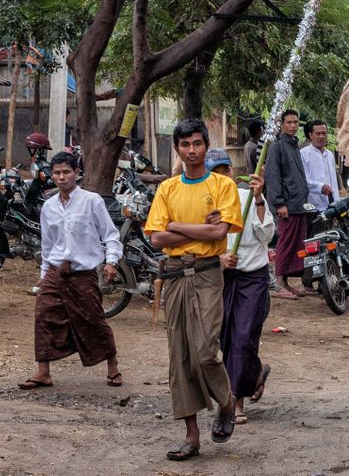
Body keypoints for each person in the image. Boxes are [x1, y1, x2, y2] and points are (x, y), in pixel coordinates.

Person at [145, 118, 243, 461]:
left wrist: (175, 226)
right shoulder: (167, 189)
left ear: (206, 145)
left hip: (206, 274)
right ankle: (191, 435)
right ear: (177, 149)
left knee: (205, 349)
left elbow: (219, 235)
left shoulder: (221, 185)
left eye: (197, 143)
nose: (191, 150)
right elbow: (156, 239)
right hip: (173, 276)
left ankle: (227, 401)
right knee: (180, 357)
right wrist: (199, 228)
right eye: (185, 145)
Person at [18, 152, 123, 391]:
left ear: (77, 173)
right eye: (57, 173)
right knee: (43, 315)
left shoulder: (92, 201)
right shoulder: (49, 207)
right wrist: (44, 274)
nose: (62, 177)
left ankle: (113, 366)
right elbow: (47, 245)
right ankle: (43, 372)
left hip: (83, 273)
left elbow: (110, 235)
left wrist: (112, 261)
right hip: (56, 271)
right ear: (51, 176)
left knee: (93, 320)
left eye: (66, 172)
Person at [207, 149, 274, 426]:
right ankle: (255, 372)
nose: (223, 176)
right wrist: (219, 258)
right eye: (216, 173)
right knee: (225, 339)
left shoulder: (248, 198)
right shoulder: (206, 205)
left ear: (231, 173)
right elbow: (199, 243)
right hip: (221, 278)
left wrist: (258, 199)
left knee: (244, 337)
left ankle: (236, 400)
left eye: (225, 170)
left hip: (253, 278)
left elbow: (267, 233)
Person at [264, 109, 313, 300]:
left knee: (296, 245)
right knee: (285, 244)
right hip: (287, 206)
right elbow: (273, 177)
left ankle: (286, 282)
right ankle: (278, 282)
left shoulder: (294, 146)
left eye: (295, 122)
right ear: (282, 124)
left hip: (299, 204)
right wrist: (279, 203)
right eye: (289, 122)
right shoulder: (277, 146)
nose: (293, 126)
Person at [300, 119, 341, 213]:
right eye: (318, 133)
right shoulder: (303, 154)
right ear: (310, 135)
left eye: (324, 133)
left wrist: (337, 201)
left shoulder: (329, 154)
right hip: (312, 206)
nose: (321, 136)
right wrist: (320, 187)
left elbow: (333, 181)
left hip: (331, 206)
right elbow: (303, 180)